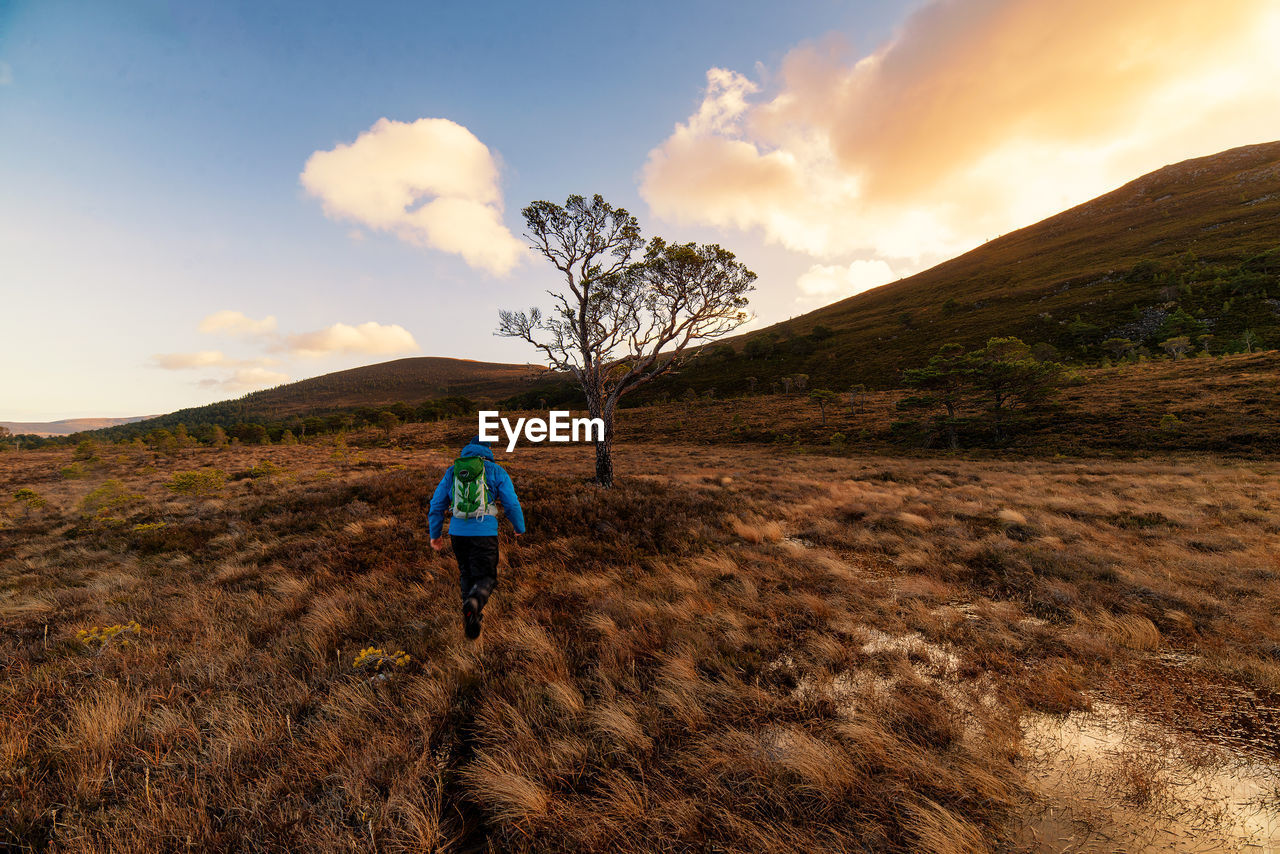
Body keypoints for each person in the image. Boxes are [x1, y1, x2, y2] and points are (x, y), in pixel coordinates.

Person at [428, 435, 525, 639]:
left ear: (468, 449)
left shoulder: (452, 471)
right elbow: (512, 504)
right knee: (486, 577)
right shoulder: (496, 471)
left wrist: (435, 534)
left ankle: (471, 618)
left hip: (457, 533)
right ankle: (474, 604)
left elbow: (436, 505)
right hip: (484, 533)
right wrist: (519, 527)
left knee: (466, 574)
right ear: (488, 450)